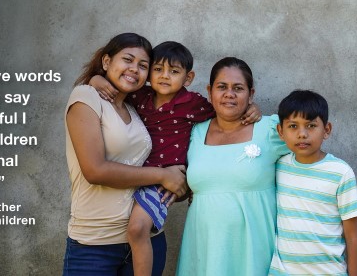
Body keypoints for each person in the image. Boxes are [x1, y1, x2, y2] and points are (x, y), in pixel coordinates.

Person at [91, 45, 261, 275]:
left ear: (188, 78)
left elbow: (227, 109)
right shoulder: (141, 96)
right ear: (149, 72)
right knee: (121, 225)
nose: (164, 76)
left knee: (137, 228)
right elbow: (113, 86)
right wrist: (96, 80)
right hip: (136, 175)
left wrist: (252, 109)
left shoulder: (193, 104)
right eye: (158, 69)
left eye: (173, 71)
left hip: (162, 181)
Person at [64, 33, 188, 276]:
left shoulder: (137, 107)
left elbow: (163, 157)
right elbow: (94, 170)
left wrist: (179, 186)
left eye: (143, 66)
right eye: (127, 60)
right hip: (95, 244)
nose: (134, 69)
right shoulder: (86, 96)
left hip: (148, 240)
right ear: (107, 61)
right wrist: (163, 176)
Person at [176, 57, 289, 275]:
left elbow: (307, 147)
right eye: (222, 87)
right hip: (204, 247)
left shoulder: (270, 129)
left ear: (251, 94)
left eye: (238, 88)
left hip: (254, 249)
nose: (229, 94)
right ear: (210, 92)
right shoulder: (194, 132)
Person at [269, 90, 357, 275]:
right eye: (293, 126)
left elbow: (353, 237)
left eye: (311, 126)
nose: (302, 134)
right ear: (281, 131)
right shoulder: (277, 167)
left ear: (326, 130)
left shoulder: (341, 173)